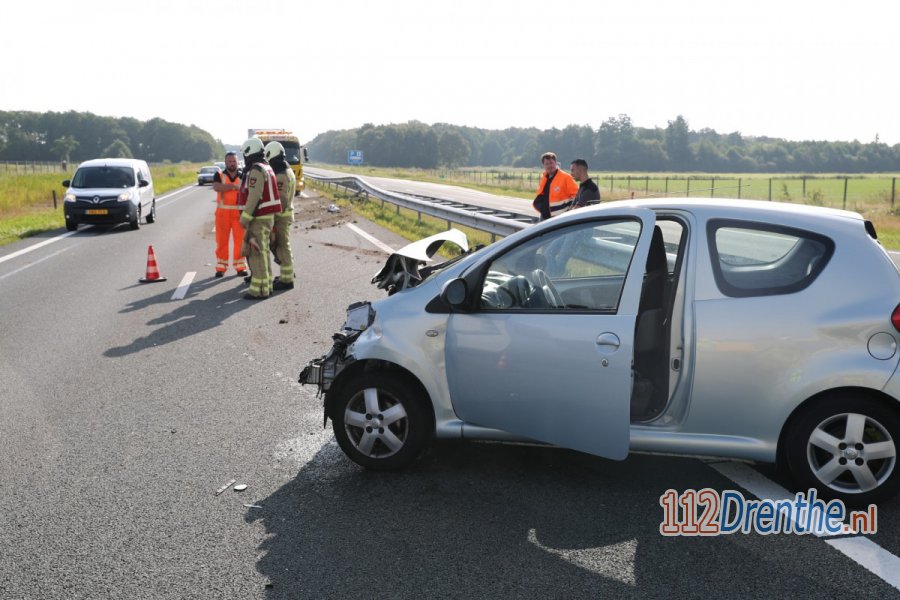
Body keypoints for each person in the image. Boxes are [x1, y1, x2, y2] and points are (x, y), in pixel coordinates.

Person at [238, 137, 282, 300]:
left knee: (257, 254)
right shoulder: (267, 167)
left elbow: (254, 196)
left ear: (250, 152)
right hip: (266, 217)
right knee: (262, 253)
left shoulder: (256, 170)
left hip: (259, 217)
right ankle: (267, 286)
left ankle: (257, 290)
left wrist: (245, 217)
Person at [264, 141, 297, 290]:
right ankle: (286, 274)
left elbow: (281, 199)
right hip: (285, 215)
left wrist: (272, 217)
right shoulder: (287, 169)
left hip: (281, 217)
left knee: (282, 246)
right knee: (282, 246)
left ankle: (287, 279)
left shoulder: (282, 174)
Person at [211, 152, 247, 278]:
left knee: (240, 242)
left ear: (238, 162)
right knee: (222, 242)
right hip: (223, 214)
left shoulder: (244, 175)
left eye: (234, 161)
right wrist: (232, 186)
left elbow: (246, 191)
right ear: (225, 163)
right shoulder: (219, 175)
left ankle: (240, 267)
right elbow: (216, 187)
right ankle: (221, 267)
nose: (232, 163)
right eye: (230, 161)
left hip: (238, 214)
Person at [532, 151, 578, 221]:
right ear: (543, 166)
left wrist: (569, 212)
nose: (549, 166)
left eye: (551, 163)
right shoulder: (544, 177)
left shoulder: (566, 177)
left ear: (556, 163)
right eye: (546, 164)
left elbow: (577, 196)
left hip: (560, 218)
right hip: (544, 217)